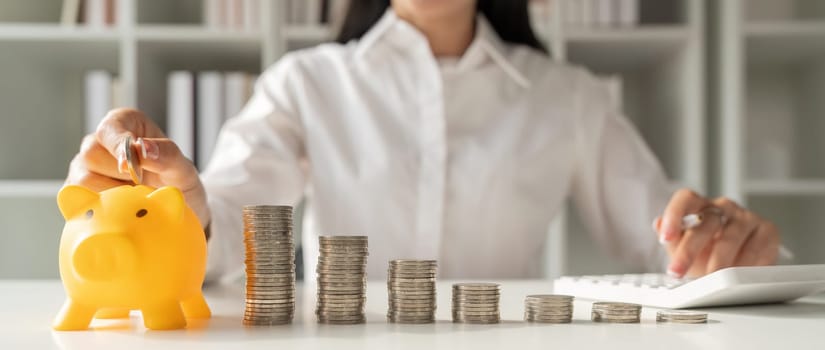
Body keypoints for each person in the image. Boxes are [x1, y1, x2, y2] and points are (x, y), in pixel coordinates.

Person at [65, 0, 780, 282]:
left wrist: (723, 249)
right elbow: (218, 240)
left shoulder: (569, 96)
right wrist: (164, 204)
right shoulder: (304, 83)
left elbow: (667, 242)